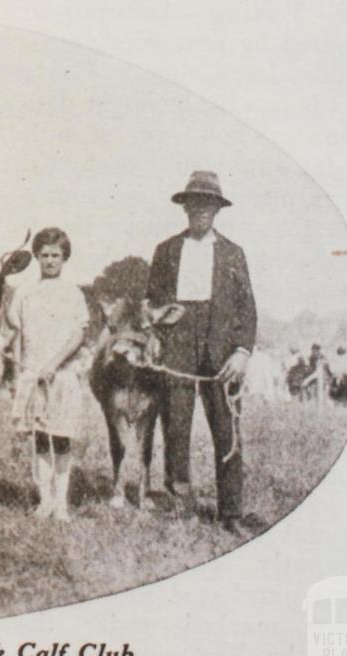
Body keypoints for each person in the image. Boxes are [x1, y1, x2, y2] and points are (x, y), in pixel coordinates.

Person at [146, 171, 257, 534]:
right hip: (177, 343)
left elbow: (246, 309)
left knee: (227, 429)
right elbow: (152, 301)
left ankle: (231, 513)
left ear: (217, 209)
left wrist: (241, 352)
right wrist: (154, 328)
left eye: (208, 204)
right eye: (195, 204)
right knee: (176, 425)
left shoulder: (232, 253)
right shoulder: (166, 251)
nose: (201, 211)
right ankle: (180, 505)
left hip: (221, 347)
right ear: (186, 207)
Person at [8, 228, 91, 521]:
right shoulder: (24, 293)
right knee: (40, 437)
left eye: (56, 255)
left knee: (62, 438)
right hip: (32, 375)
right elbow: (17, 336)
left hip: (62, 375)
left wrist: (55, 364)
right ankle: (44, 500)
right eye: (44, 255)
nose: (50, 261)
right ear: (37, 257)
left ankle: (61, 504)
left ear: (64, 257)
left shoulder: (73, 293)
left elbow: (78, 334)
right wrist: (19, 374)